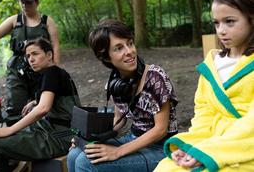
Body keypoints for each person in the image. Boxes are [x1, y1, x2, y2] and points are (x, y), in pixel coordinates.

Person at [155, 0, 254, 171]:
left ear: (252, 19)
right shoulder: (212, 65)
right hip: (210, 140)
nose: (221, 30)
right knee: (166, 168)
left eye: (230, 21)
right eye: (216, 23)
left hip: (245, 146)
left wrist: (209, 152)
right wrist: (191, 146)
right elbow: (204, 112)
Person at [67, 19, 178, 172]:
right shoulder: (115, 83)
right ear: (106, 57)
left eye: (130, 43)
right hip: (133, 139)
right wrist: (86, 139)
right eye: (119, 48)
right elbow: (118, 121)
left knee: (86, 163)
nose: (129, 51)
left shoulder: (155, 77)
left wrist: (117, 151)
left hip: (161, 148)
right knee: (74, 155)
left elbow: (161, 130)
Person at [0, 38, 80, 172]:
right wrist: (35, 101)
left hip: (60, 137)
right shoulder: (56, 73)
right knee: (1, 137)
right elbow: (57, 97)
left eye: (35, 54)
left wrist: (10, 129)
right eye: (28, 56)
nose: (31, 59)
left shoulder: (51, 73)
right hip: (62, 131)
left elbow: (43, 109)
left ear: (49, 55)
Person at [0, 0, 60, 122]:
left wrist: (54, 71)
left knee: (41, 104)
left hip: (41, 70)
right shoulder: (15, 20)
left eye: (28, 2)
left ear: (37, 3)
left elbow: (55, 46)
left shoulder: (47, 22)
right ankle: (14, 134)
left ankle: (39, 135)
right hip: (17, 70)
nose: (24, 5)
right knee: (15, 105)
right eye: (22, 1)